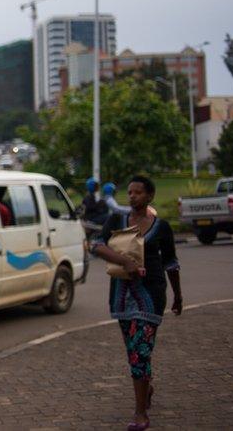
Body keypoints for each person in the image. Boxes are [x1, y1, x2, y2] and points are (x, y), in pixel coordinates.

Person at [89, 175, 182, 431]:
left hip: (151, 296)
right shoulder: (116, 221)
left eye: (138, 193)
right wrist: (124, 261)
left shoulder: (161, 227)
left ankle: (140, 413)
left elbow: (171, 264)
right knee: (134, 352)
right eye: (129, 192)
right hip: (122, 296)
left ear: (149, 196)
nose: (132, 197)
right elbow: (96, 246)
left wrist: (178, 296)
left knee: (140, 353)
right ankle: (146, 386)